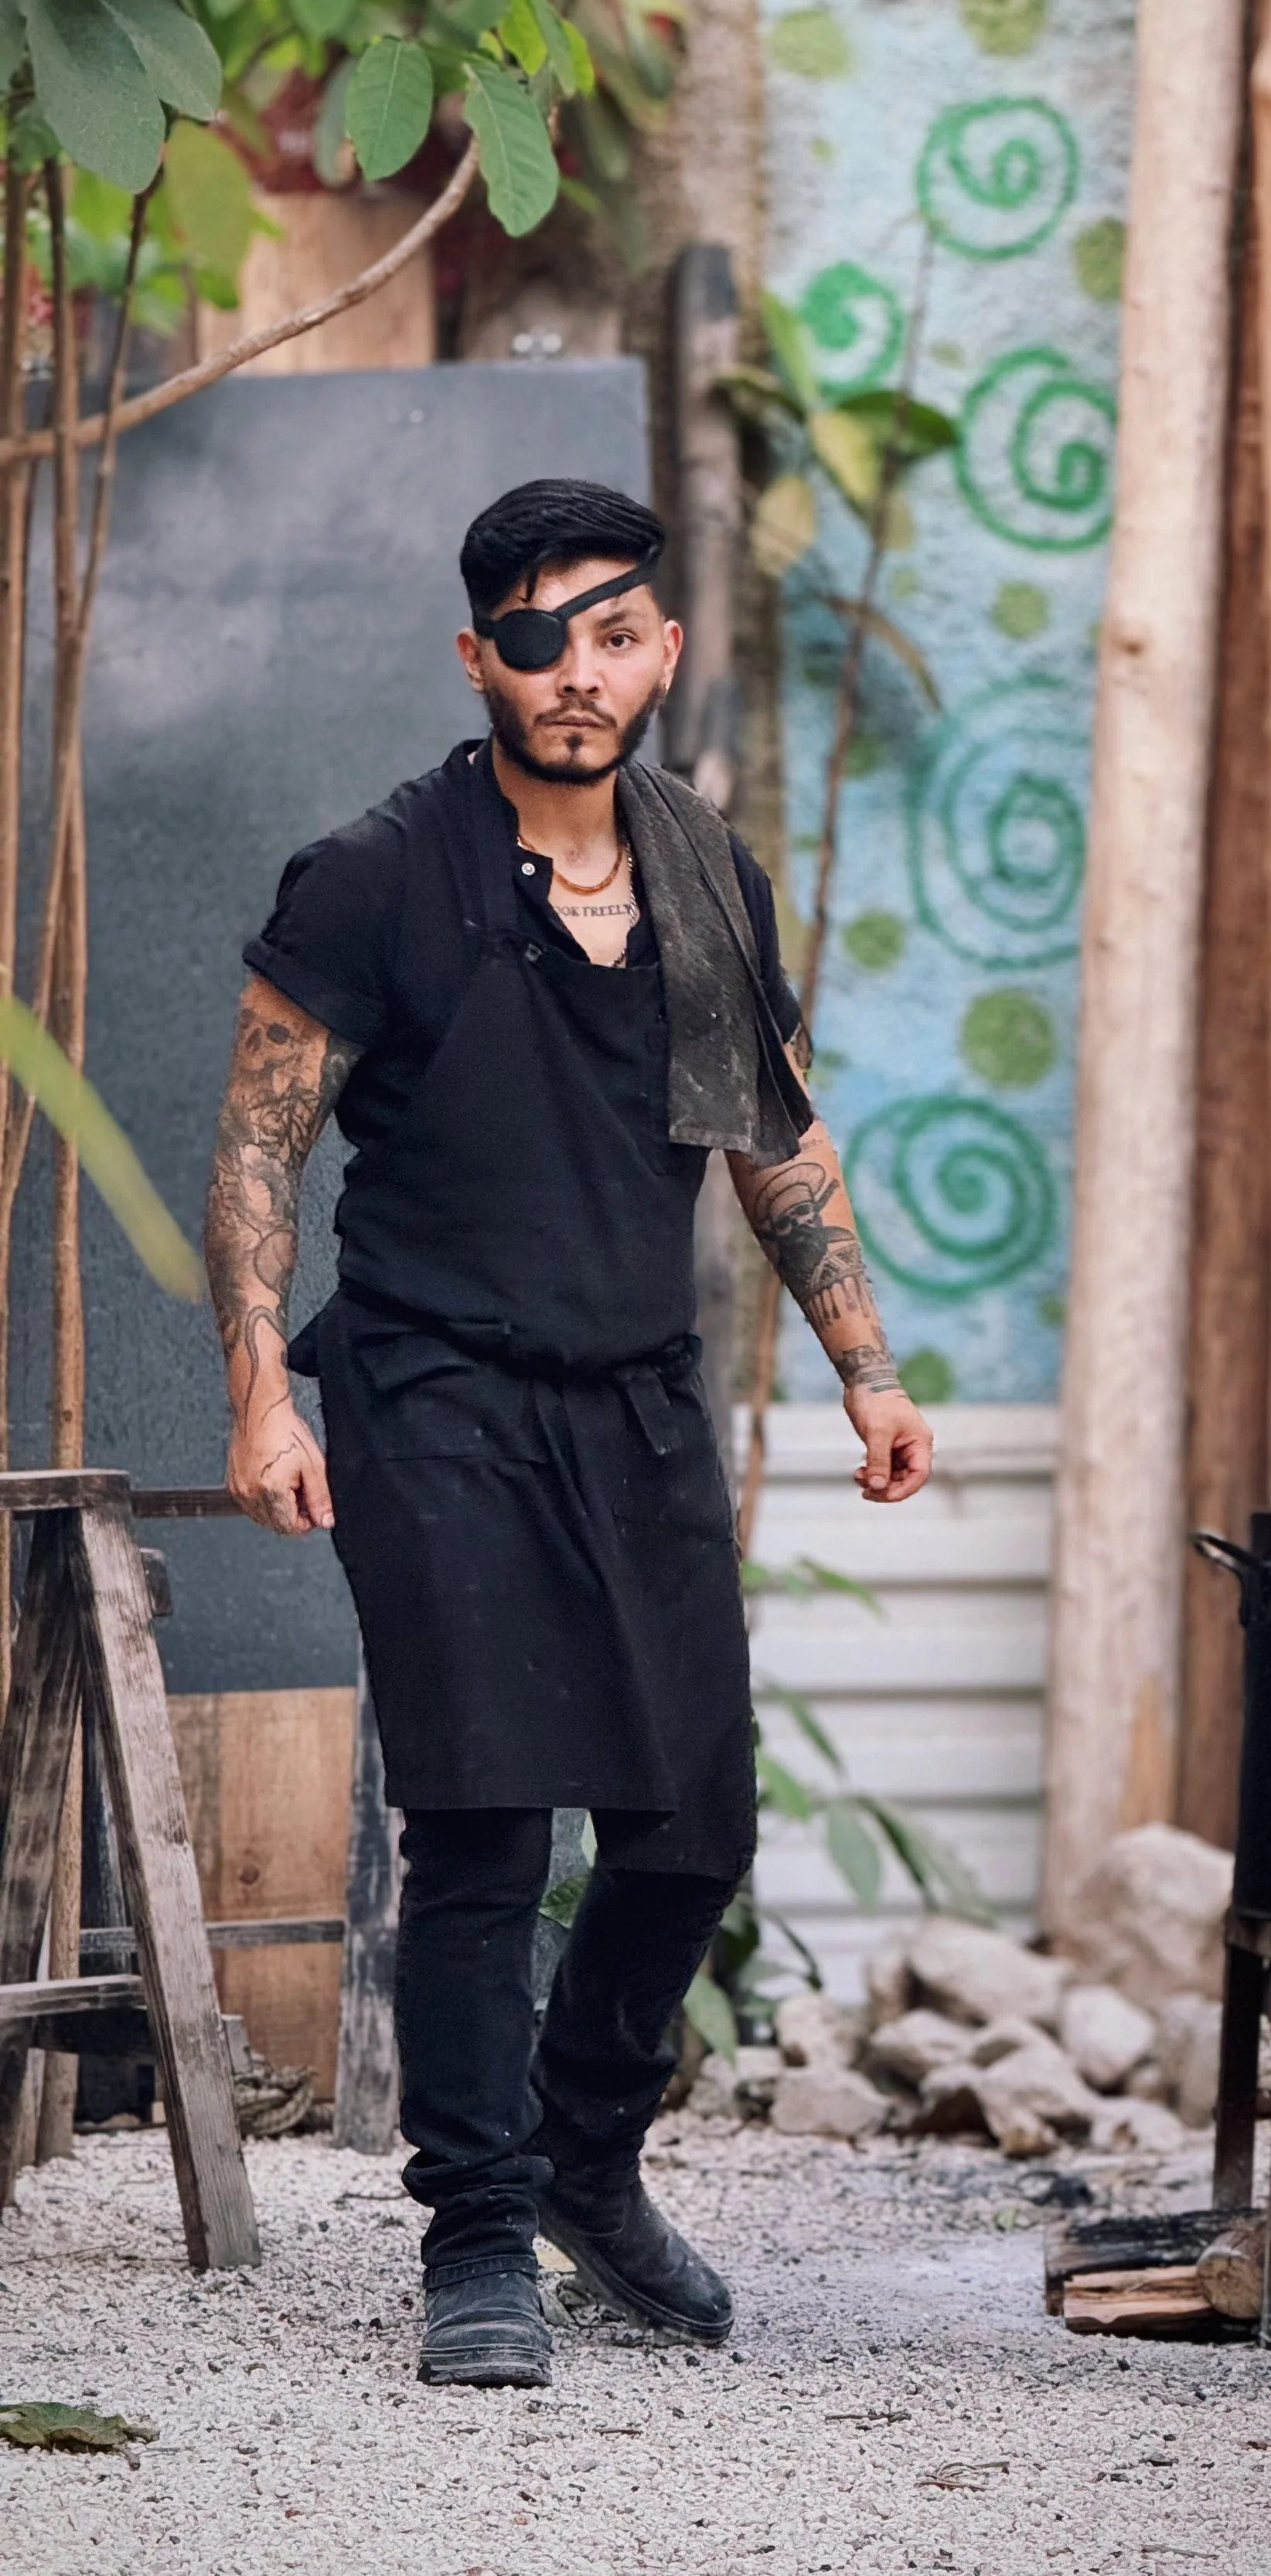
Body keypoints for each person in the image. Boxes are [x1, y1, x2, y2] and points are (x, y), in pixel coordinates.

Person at [203, 478, 932, 2391]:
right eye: (536, 638)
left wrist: (863, 1364)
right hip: (430, 1390)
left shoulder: (702, 869)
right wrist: (262, 1386)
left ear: (660, 648)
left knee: (694, 1825)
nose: (576, 671)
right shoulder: (372, 873)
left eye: (613, 630)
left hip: (631, 1397)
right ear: (479, 659)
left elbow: (772, 1138)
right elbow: (258, 1141)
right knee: (478, 1823)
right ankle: (473, 2237)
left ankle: (582, 2162)